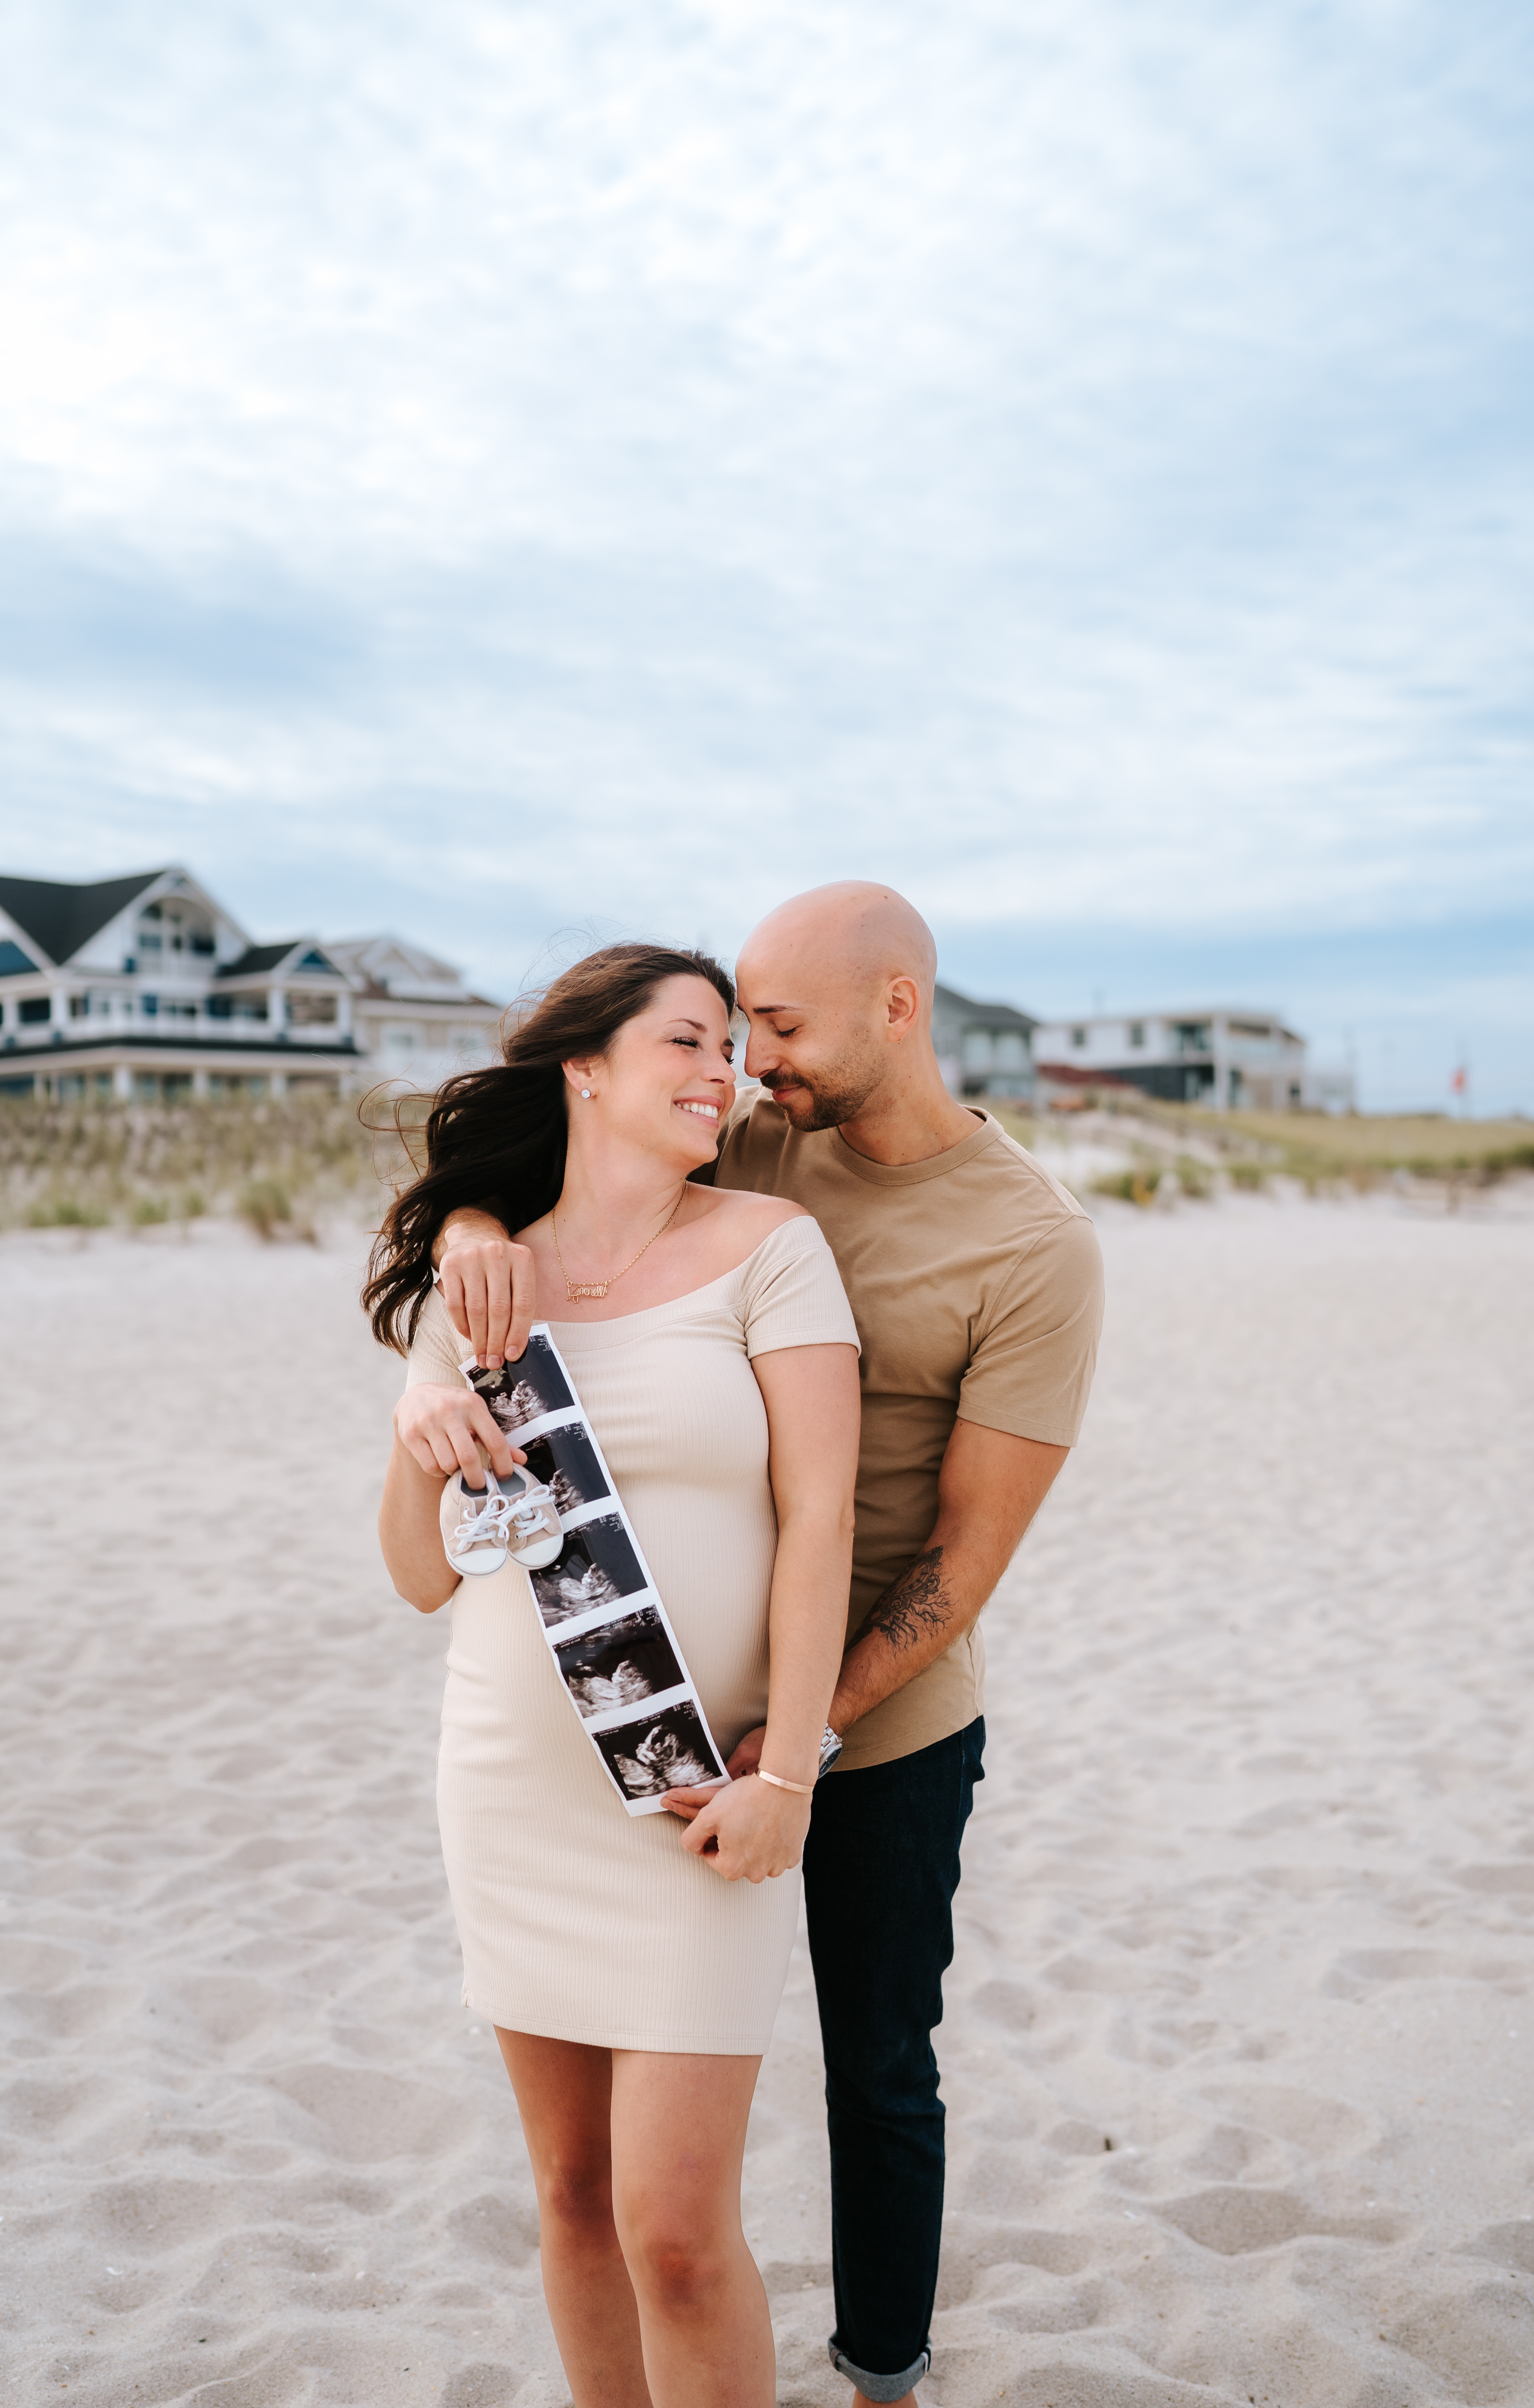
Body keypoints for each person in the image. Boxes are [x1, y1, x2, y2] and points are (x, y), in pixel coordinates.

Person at [436, 883, 1104, 2407]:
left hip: (886, 1698)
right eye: (739, 1030)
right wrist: (475, 1227)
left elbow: (964, 1555)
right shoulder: (752, 1141)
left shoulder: (1034, 1247)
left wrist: (795, 1743)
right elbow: (552, 1164)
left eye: (782, 1028)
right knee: (623, 2174)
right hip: (679, 1704)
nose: (753, 1064)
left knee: (877, 2068)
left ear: (899, 1008)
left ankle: (883, 2374)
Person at [367, 942, 861, 2408]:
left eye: (732, 1050)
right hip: (515, 1785)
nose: (729, 1074)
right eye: (689, 1043)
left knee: (678, 2228)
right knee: (574, 2196)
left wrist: (790, 1775)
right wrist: (423, 1425)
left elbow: (822, 1514)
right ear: (584, 1066)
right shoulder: (485, 1276)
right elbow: (418, 1573)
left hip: (697, 1796)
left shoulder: (773, 1245)